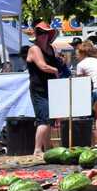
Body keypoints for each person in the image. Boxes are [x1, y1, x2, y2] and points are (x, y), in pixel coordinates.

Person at [26, 23, 63, 155]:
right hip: (39, 90)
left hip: (51, 88)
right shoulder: (34, 49)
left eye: (45, 33)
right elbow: (42, 66)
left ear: (49, 35)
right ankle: (37, 149)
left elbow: (57, 63)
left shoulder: (51, 49)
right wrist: (56, 70)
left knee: (50, 120)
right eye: (40, 33)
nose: (43, 35)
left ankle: (48, 149)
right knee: (43, 118)